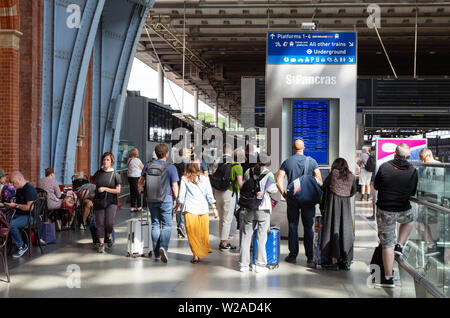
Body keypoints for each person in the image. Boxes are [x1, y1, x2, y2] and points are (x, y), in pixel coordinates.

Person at [374, 143, 418, 288]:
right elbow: (412, 192)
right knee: (410, 219)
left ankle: (388, 278)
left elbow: (376, 186)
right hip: (403, 209)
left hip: (385, 209)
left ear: (394, 154)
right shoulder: (412, 170)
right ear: (408, 157)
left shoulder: (385, 167)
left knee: (387, 244)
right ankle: (400, 244)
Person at [276, 138, 322, 268]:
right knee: (308, 228)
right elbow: (319, 179)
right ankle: (310, 257)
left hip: (293, 200)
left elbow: (278, 181)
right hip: (308, 200)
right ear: (304, 148)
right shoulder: (312, 161)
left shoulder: (287, 162)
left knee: (293, 226)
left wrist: (285, 195)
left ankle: (293, 255)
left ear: (293, 148)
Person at [138, 143, 179, 263]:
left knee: (155, 224)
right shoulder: (171, 167)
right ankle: (163, 247)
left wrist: (140, 190)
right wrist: (177, 201)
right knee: (166, 225)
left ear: (156, 153)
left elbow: (140, 182)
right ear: (167, 154)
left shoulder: (148, 165)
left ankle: (156, 253)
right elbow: (174, 186)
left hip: (151, 199)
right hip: (166, 200)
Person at [239, 153, 278, 273]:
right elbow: (273, 190)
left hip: (249, 208)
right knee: (261, 238)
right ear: (267, 162)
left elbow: (243, 187)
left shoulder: (248, 172)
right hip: (263, 209)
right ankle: (260, 265)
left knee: (246, 237)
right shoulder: (269, 174)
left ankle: (244, 265)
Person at [174, 159, 218, 263]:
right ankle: (198, 252)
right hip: (203, 209)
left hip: (190, 209)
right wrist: (214, 209)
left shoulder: (185, 179)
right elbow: (209, 195)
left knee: (192, 234)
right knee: (202, 233)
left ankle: (196, 255)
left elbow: (182, 195)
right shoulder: (205, 178)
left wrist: (179, 206)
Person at [320, 158, 357, 271]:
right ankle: (345, 261)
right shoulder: (351, 176)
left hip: (333, 206)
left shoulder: (334, 174)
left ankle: (333, 261)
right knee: (345, 231)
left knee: (332, 230)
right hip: (345, 206)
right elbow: (353, 191)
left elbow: (324, 186)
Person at [213, 143, 243, 251]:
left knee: (222, 218)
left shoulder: (219, 161)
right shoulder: (237, 166)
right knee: (227, 219)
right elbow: (240, 185)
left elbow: (213, 174)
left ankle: (222, 240)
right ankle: (224, 243)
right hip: (229, 193)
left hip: (218, 192)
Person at [4, 171, 38, 258]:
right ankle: (6, 243)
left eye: (13, 182)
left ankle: (22, 246)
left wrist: (15, 205)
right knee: (3, 220)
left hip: (30, 216)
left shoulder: (29, 190)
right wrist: (10, 205)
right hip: (19, 214)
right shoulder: (19, 189)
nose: (12, 184)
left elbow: (29, 207)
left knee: (12, 224)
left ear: (19, 179)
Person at [92, 152, 122, 253]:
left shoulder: (115, 174)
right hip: (99, 201)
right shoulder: (98, 173)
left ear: (112, 161)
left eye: (108, 160)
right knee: (100, 222)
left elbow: (118, 191)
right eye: (104, 160)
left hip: (111, 201)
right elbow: (93, 186)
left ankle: (109, 234)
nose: (105, 161)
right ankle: (101, 244)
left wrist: (105, 189)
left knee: (109, 222)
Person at [417, 148, 443, 256]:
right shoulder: (426, 167)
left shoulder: (439, 166)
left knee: (429, 223)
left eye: (423, 158)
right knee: (422, 223)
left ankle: (433, 245)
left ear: (429, 155)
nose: (422, 161)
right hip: (428, 199)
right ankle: (432, 244)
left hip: (436, 199)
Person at [173, 147, 189, 238]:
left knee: (178, 206)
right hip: (186, 186)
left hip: (177, 186)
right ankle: (183, 226)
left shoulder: (175, 163)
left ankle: (179, 226)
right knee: (185, 206)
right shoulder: (188, 163)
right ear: (185, 154)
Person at [127, 148, 144, 212]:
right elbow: (143, 167)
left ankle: (132, 207)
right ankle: (139, 206)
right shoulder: (137, 160)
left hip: (130, 177)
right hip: (136, 177)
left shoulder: (129, 160)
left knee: (132, 192)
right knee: (138, 192)